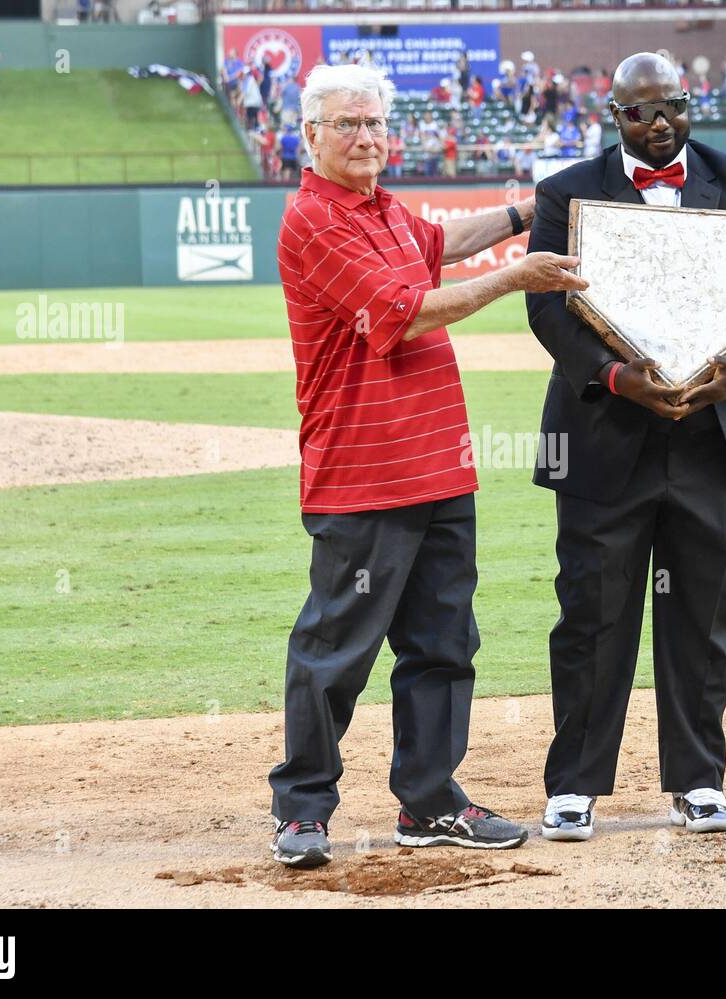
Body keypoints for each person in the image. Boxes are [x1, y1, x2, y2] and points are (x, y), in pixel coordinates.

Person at [268, 63, 587, 868]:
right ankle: (302, 809)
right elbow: (407, 312)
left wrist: (531, 208)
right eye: (348, 124)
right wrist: (518, 275)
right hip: (364, 471)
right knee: (337, 647)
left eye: (375, 123)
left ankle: (429, 800)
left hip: (440, 467)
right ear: (311, 136)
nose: (367, 136)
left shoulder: (385, 211)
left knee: (445, 643)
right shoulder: (314, 219)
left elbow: (445, 244)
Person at [525, 52, 726, 842]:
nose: (658, 125)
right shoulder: (564, 192)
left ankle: (699, 779)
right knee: (591, 609)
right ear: (613, 116)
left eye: (671, 107)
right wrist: (617, 379)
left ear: (691, 103)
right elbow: (549, 314)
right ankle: (574, 783)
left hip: (717, 436)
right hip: (604, 434)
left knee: (702, 613)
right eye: (639, 112)